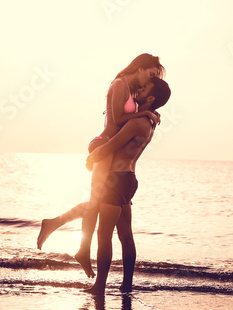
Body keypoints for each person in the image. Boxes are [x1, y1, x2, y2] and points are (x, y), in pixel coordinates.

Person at [37, 54, 164, 278]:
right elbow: (115, 120)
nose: (150, 80)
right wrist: (144, 112)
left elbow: (128, 120)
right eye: (151, 74)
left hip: (111, 151)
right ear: (140, 67)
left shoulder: (131, 89)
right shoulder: (119, 83)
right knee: (97, 204)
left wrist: (148, 111)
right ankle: (79, 247)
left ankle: (62, 231)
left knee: (98, 204)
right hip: (104, 145)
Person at [84, 76, 171, 294]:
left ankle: (99, 287)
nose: (138, 91)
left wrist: (91, 158)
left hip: (115, 180)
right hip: (128, 179)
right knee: (125, 235)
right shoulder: (149, 122)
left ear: (151, 98)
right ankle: (126, 285)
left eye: (144, 90)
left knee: (103, 234)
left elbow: (110, 146)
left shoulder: (136, 123)